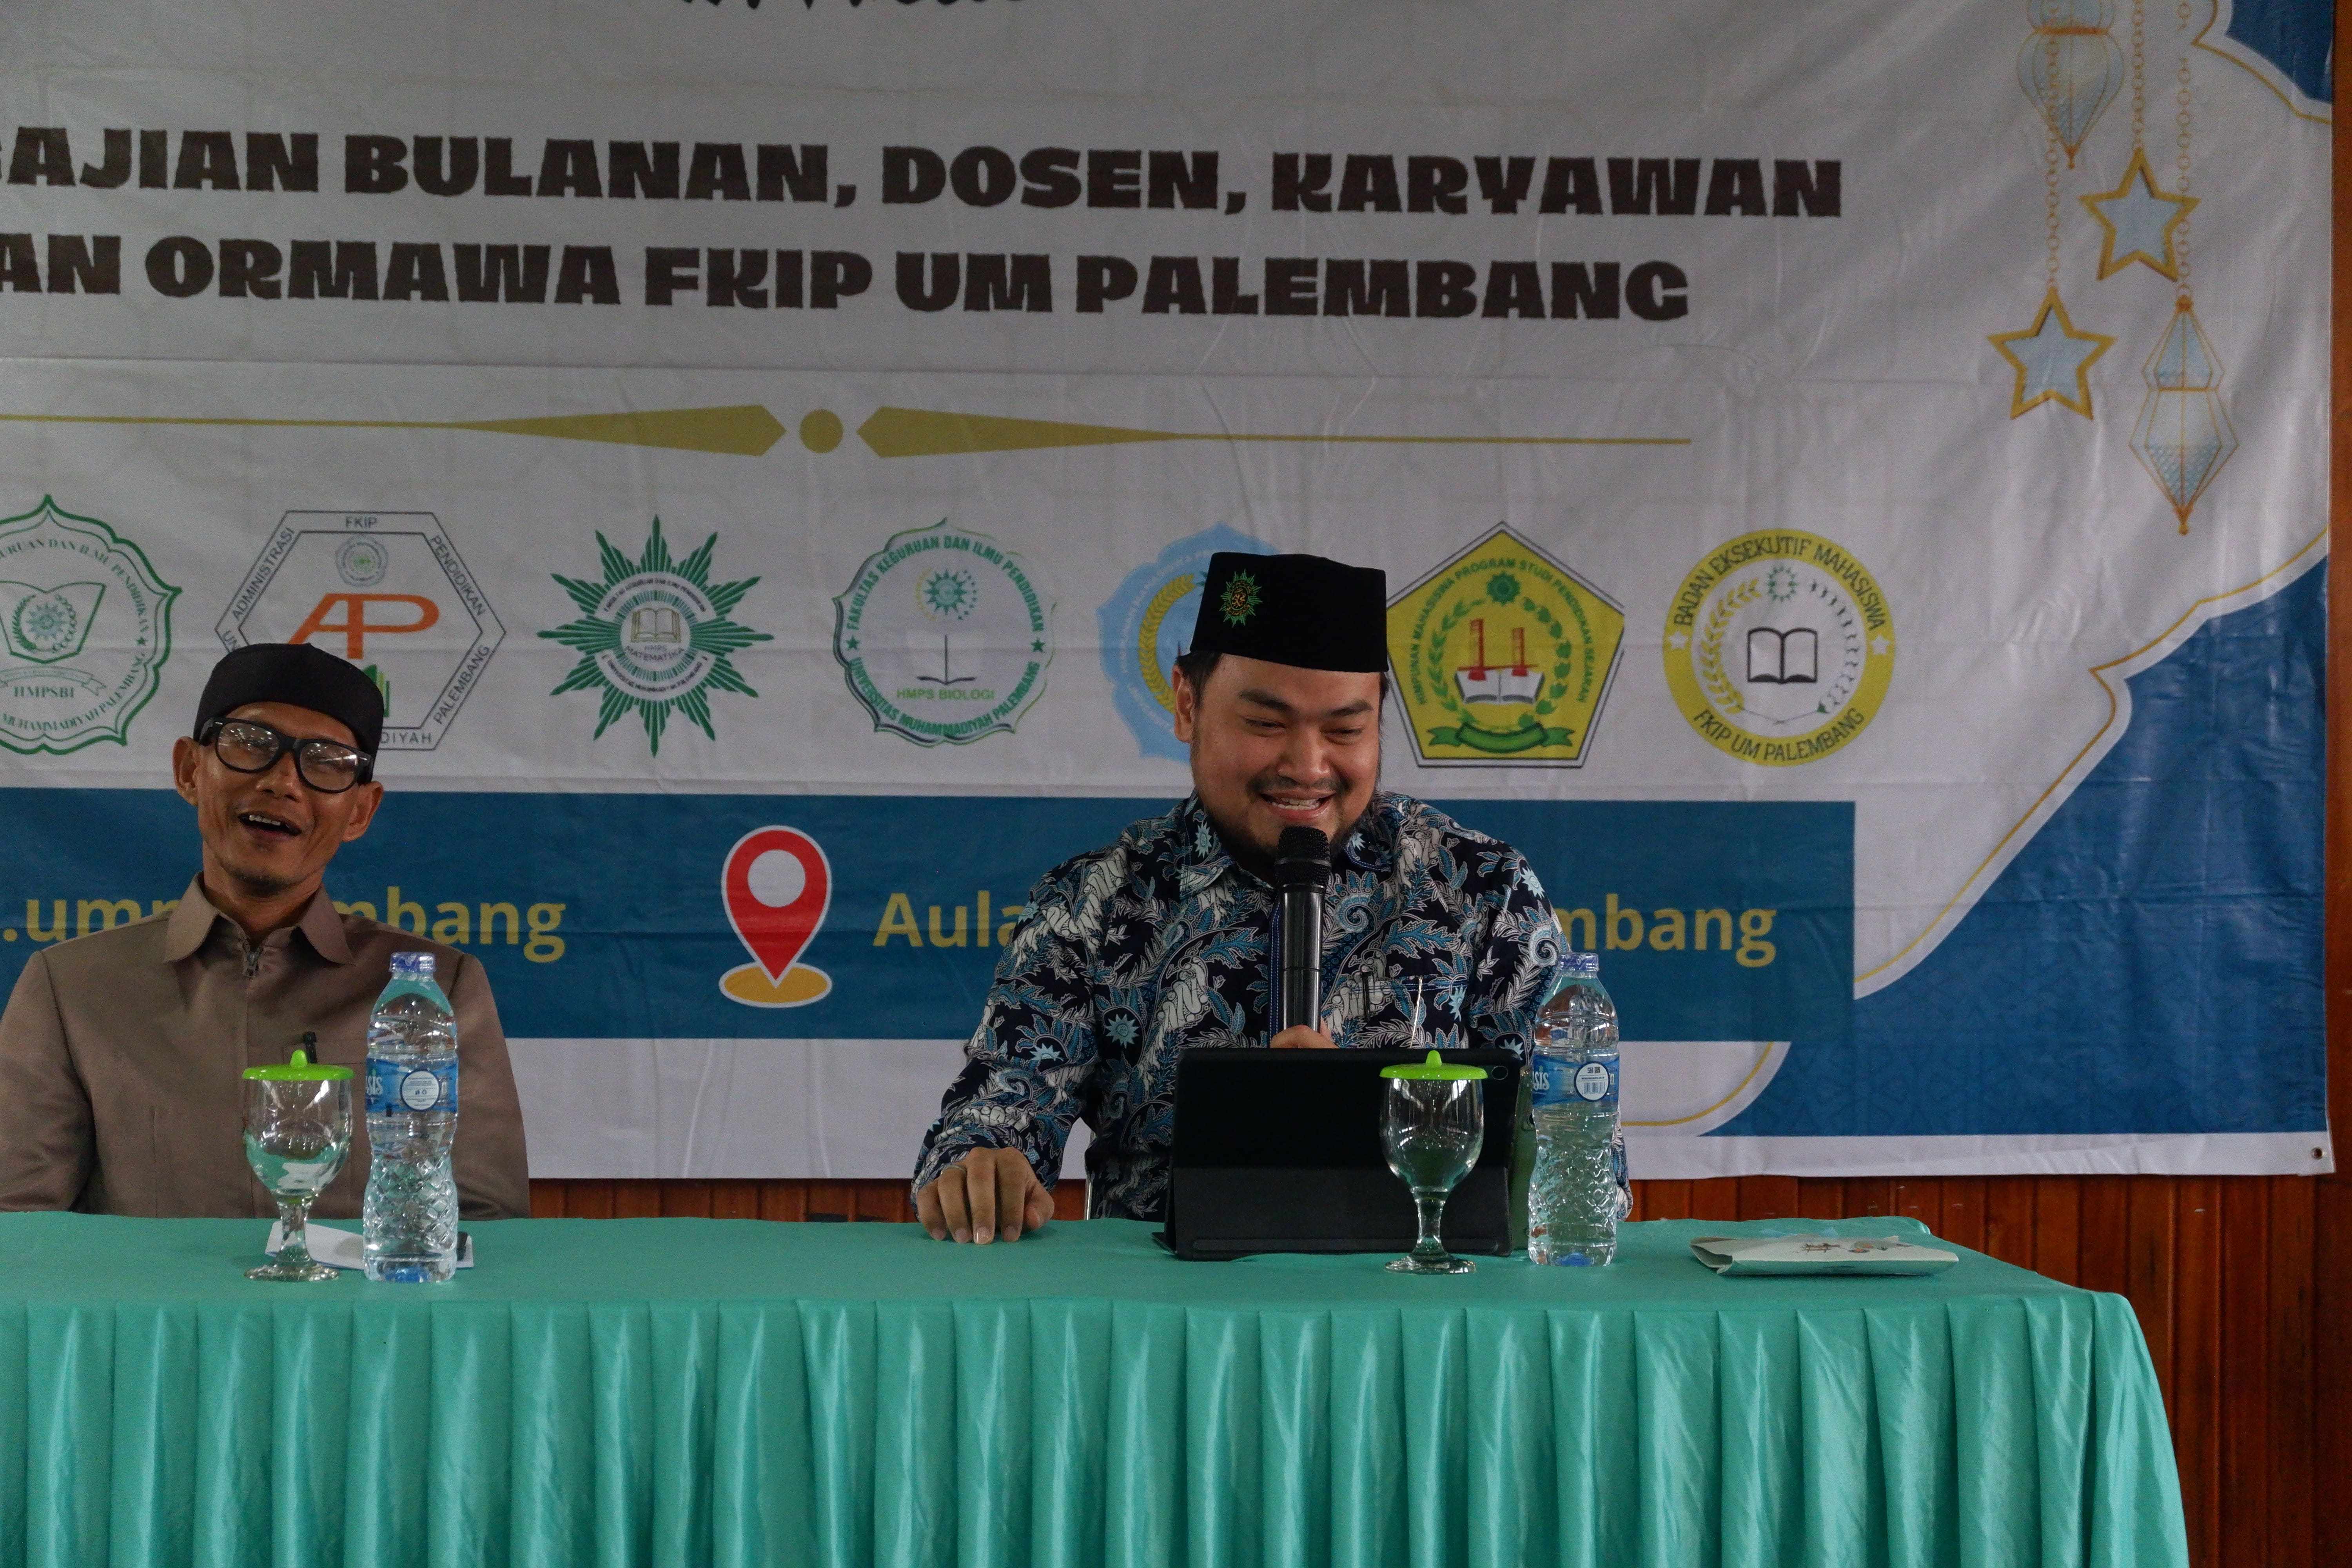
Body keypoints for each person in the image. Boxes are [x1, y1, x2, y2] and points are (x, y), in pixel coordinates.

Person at [914, 552, 1562, 1243]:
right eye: (1266, 724)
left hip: (1419, 1295)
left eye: (1345, 731)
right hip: (1161, 1299)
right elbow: (996, 1115)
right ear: (1187, 706)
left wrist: (1359, 1122)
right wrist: (981, 1166)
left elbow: (1571, 1160)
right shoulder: (1095, 904)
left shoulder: (1480, 889)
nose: (1307, 767)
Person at [0, 642, 530, 1219]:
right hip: (143, 1287)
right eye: (251, 744)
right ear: (190, 771)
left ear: (360, 811)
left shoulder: (433, 988)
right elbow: (20, 1223)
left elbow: (486, 1220)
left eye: (327, 761)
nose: (283, 782)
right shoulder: (72, 986)